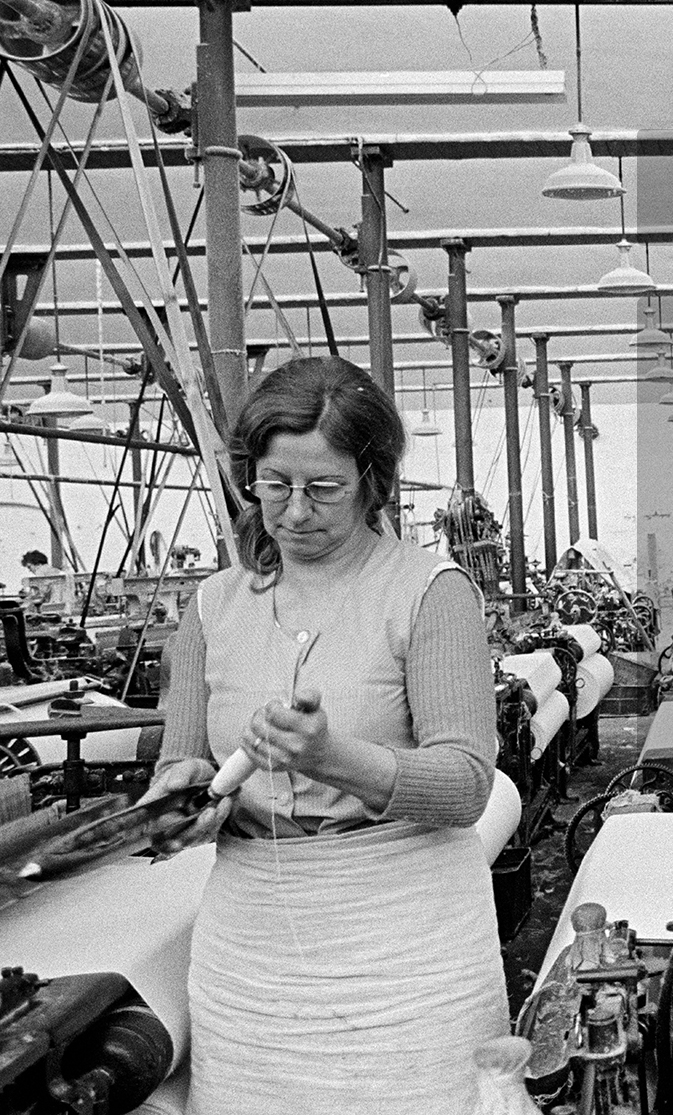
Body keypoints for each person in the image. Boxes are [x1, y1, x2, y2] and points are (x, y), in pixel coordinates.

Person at [144, 356, 506, 1114]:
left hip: (405, 944)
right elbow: (183, 760)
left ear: (374, 481)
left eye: (324, 489)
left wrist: (333, 758)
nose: (296, 512)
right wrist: (181, 801)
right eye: (275, 486)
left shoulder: (430, 594)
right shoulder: (212, 607)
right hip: (253, 948)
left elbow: (468, 785)